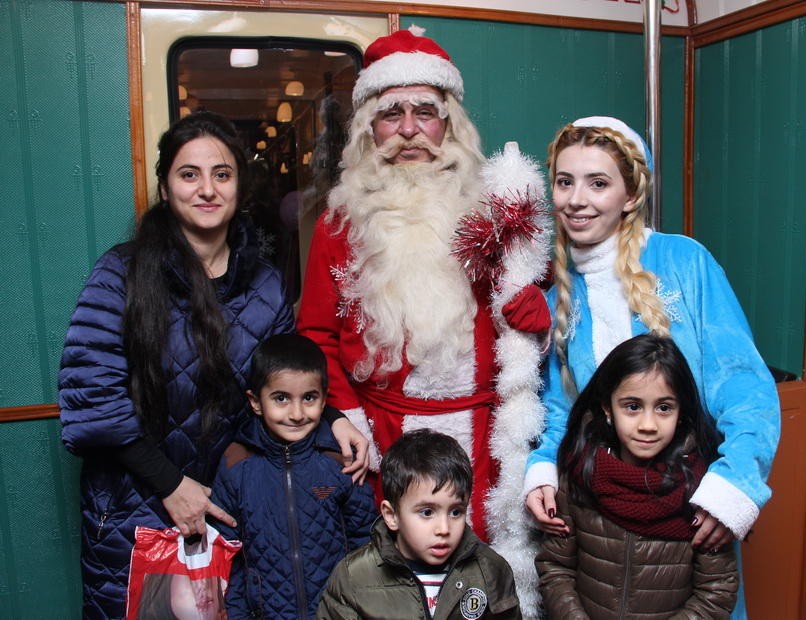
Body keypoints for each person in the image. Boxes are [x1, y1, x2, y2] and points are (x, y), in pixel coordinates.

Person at [58, 110, 368, 618]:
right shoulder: (121, 273)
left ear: (240, 188)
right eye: (189, 174)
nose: (207, 189)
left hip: (231, 509)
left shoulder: (265, 285)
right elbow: (91, 400)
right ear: (164, 186)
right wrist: (171, 487)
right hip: (135, 508)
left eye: (221, 174)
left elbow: (277, 384)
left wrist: (335, 420)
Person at [297, 28, 549, 542]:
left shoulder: (494, 210)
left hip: (485, 436)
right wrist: (345, 417)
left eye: (425, 113)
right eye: (392, 114)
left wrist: (538, 317)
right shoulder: (338, 227)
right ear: (370, 129)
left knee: (481, 577)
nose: (409, 131)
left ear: (448, 125)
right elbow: (317, 335)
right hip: (382, 436)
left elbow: (528, 314)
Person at [523, 117, 780, 617]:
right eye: (564, 180)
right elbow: (559, 410)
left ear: (630, 193)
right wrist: (541, 472)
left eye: (598, 183)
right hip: (602, 514)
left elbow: (743, 383)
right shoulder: (556, 300)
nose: (577, 200)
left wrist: (735, 484)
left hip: (691, 503)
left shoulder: (685, 262)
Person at [535, 334, 739, 618]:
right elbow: (556, 567)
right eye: (632, 406)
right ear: (608, 408)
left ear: (680, 413)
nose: (648, 425)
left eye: (664, 408)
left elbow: (716, 591)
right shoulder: (582, 472)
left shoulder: (702, 489)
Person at [209, 334, 377, 619]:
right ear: (256, 401)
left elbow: (366, 541)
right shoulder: (236, 463)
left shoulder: (340, 459)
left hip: (336, 611)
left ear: (324, 400)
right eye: (281, 398)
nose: (297, 413)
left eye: (309, 398)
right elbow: (225, 553)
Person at [316, 429, 522, 619]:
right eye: (427, 512)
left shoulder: (491, 569)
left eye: (456, 512)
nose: (444, 529)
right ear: (391, 515)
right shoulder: (353, 577)